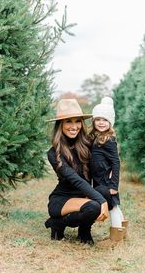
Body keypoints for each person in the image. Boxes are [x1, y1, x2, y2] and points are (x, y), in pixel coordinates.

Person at [45, 98, 108, 245]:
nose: (74, 126)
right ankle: (57, 224)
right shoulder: (54, 153)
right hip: (62, 200)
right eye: (68, 121)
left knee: (104, 190)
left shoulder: (88, 144)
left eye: (77, 121)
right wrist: (101, 201)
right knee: (94, 206)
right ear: (60, 125)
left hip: (83, 196)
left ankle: (83, 232)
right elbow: (75, 179)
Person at [90, 96, 128, 242]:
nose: (101, 122)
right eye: (98, 119)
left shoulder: (109, 140)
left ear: (110, 122)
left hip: (106, 180)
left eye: (105, 120)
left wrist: (113, 185)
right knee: (114, 205)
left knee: (112, 206)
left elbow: (116, 163)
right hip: (99, 179)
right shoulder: (96, 137)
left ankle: (116, 236)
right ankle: (121, 230)